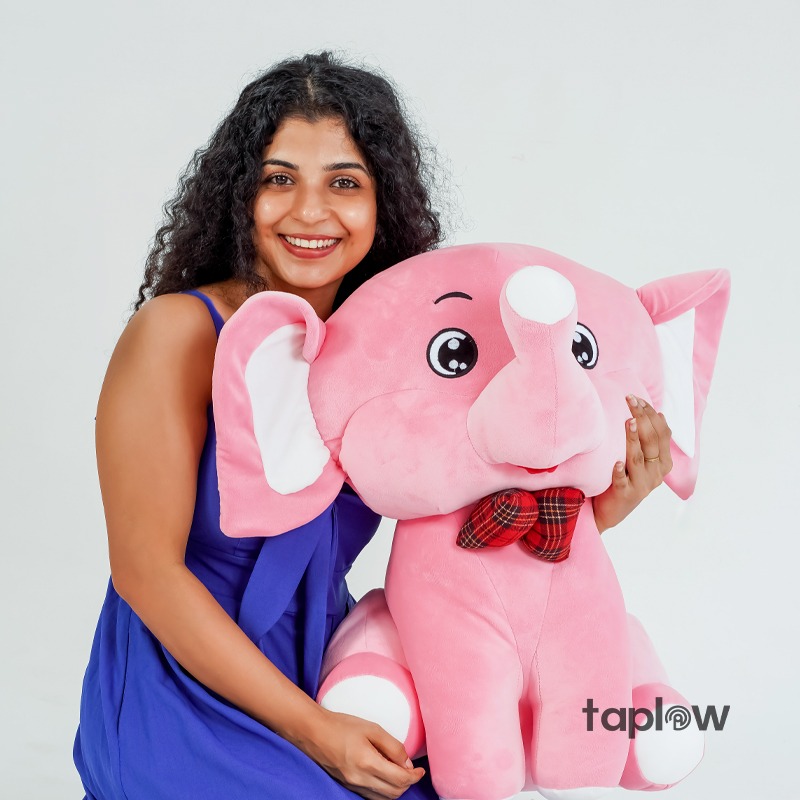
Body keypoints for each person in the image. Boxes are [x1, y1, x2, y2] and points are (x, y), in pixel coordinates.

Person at [73, 52, 673, 800]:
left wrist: (610, 505)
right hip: (182, 682)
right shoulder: (179, 333)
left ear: (382, 201)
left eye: (344, 183)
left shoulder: (394, 358)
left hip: (328, 667)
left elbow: (460, 546)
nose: (309, 212)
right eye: (279, 178)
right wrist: (314, 731)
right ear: (239, 193)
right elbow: (146, 572)